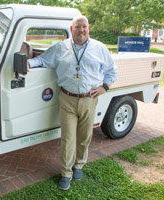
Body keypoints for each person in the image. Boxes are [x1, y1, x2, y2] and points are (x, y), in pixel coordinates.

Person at [27, 15, 118, 190]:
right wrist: (27, 63)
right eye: (77, 27)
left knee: (84, 137)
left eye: (84, 27)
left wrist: (104, 87)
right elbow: (42, 60)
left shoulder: (99, 48)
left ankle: (79, 165)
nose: (81, 30)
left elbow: (112, 70)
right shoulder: (60, 48)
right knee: (68, 138)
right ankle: (66, 173)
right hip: (67, 99)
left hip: (89, 100)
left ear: (88, 28)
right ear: (71, 29)